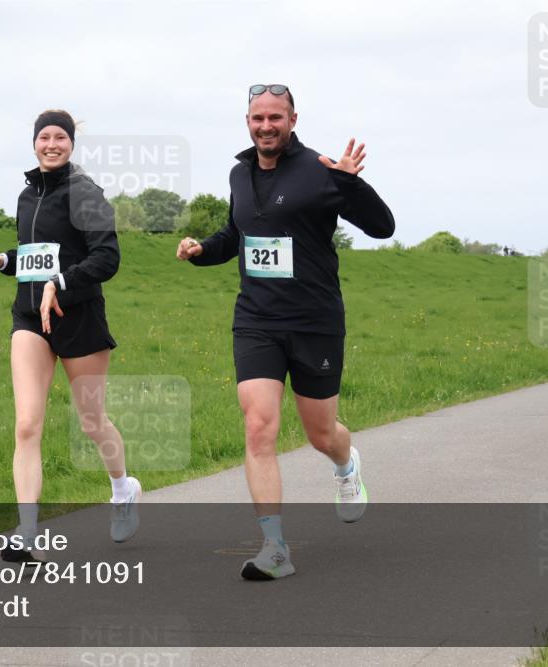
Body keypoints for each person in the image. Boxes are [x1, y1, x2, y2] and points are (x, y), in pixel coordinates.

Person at [176, 84, 395, 579]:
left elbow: (382, 227)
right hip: (256, 320)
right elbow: (238, 234)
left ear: (293, 120)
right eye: (257, 118)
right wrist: (201, 251)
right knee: (258, 427)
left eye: (276, 117)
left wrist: (352, 184)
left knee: (322, 434)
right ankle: (274, 548)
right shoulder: (239, 173)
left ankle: (346, 463)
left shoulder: (320, 171)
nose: (266, 126)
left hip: (315, 321)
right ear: (247, 122)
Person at [0, 109, 141, 563]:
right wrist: (4, 262)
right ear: (34, 144)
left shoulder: (85, 193)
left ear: (71, 144)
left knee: (91, 422)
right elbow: (37, 255)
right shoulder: (27, 196)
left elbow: (107, 258)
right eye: (44, 137)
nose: (51, 144)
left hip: (79, 317)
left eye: (59, 138)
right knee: (27, 424)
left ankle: (122, 488)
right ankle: (27, 532)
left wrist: (61, 283)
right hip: (30, 318)